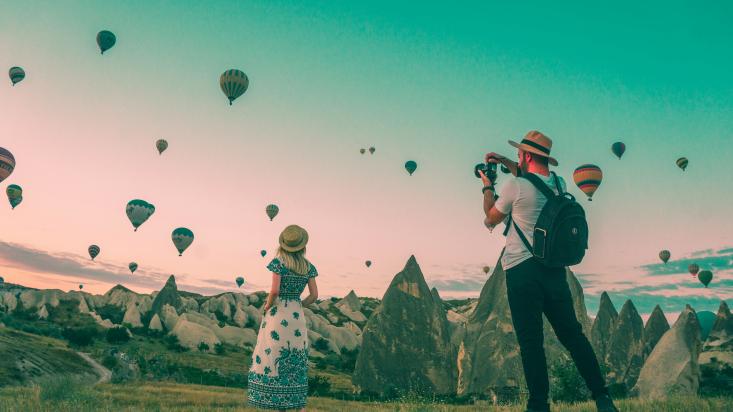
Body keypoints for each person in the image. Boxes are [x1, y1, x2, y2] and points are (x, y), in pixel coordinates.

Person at [478, 131, 618, 412]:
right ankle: (602, 397)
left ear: (527, 156)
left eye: (519, 154)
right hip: (555, 271)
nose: (517, 157)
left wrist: (487, 186)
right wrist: (504, 159)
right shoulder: (559, 183)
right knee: (573, 335)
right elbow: (532, 178)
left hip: (522, 271)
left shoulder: (514, 187)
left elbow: (490, 219)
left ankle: (539, 405)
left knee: (531, 342)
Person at [247, 224, 319, 411]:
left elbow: (274, 290)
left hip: (278, 314)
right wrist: (298, 305)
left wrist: (267, 305)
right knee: (297, 354)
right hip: (296, 316)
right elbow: (314, 296)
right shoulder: (308, 267)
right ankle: (296, 402)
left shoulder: (278, 263)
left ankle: (273, 399)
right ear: (303, 246)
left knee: (272, 351)